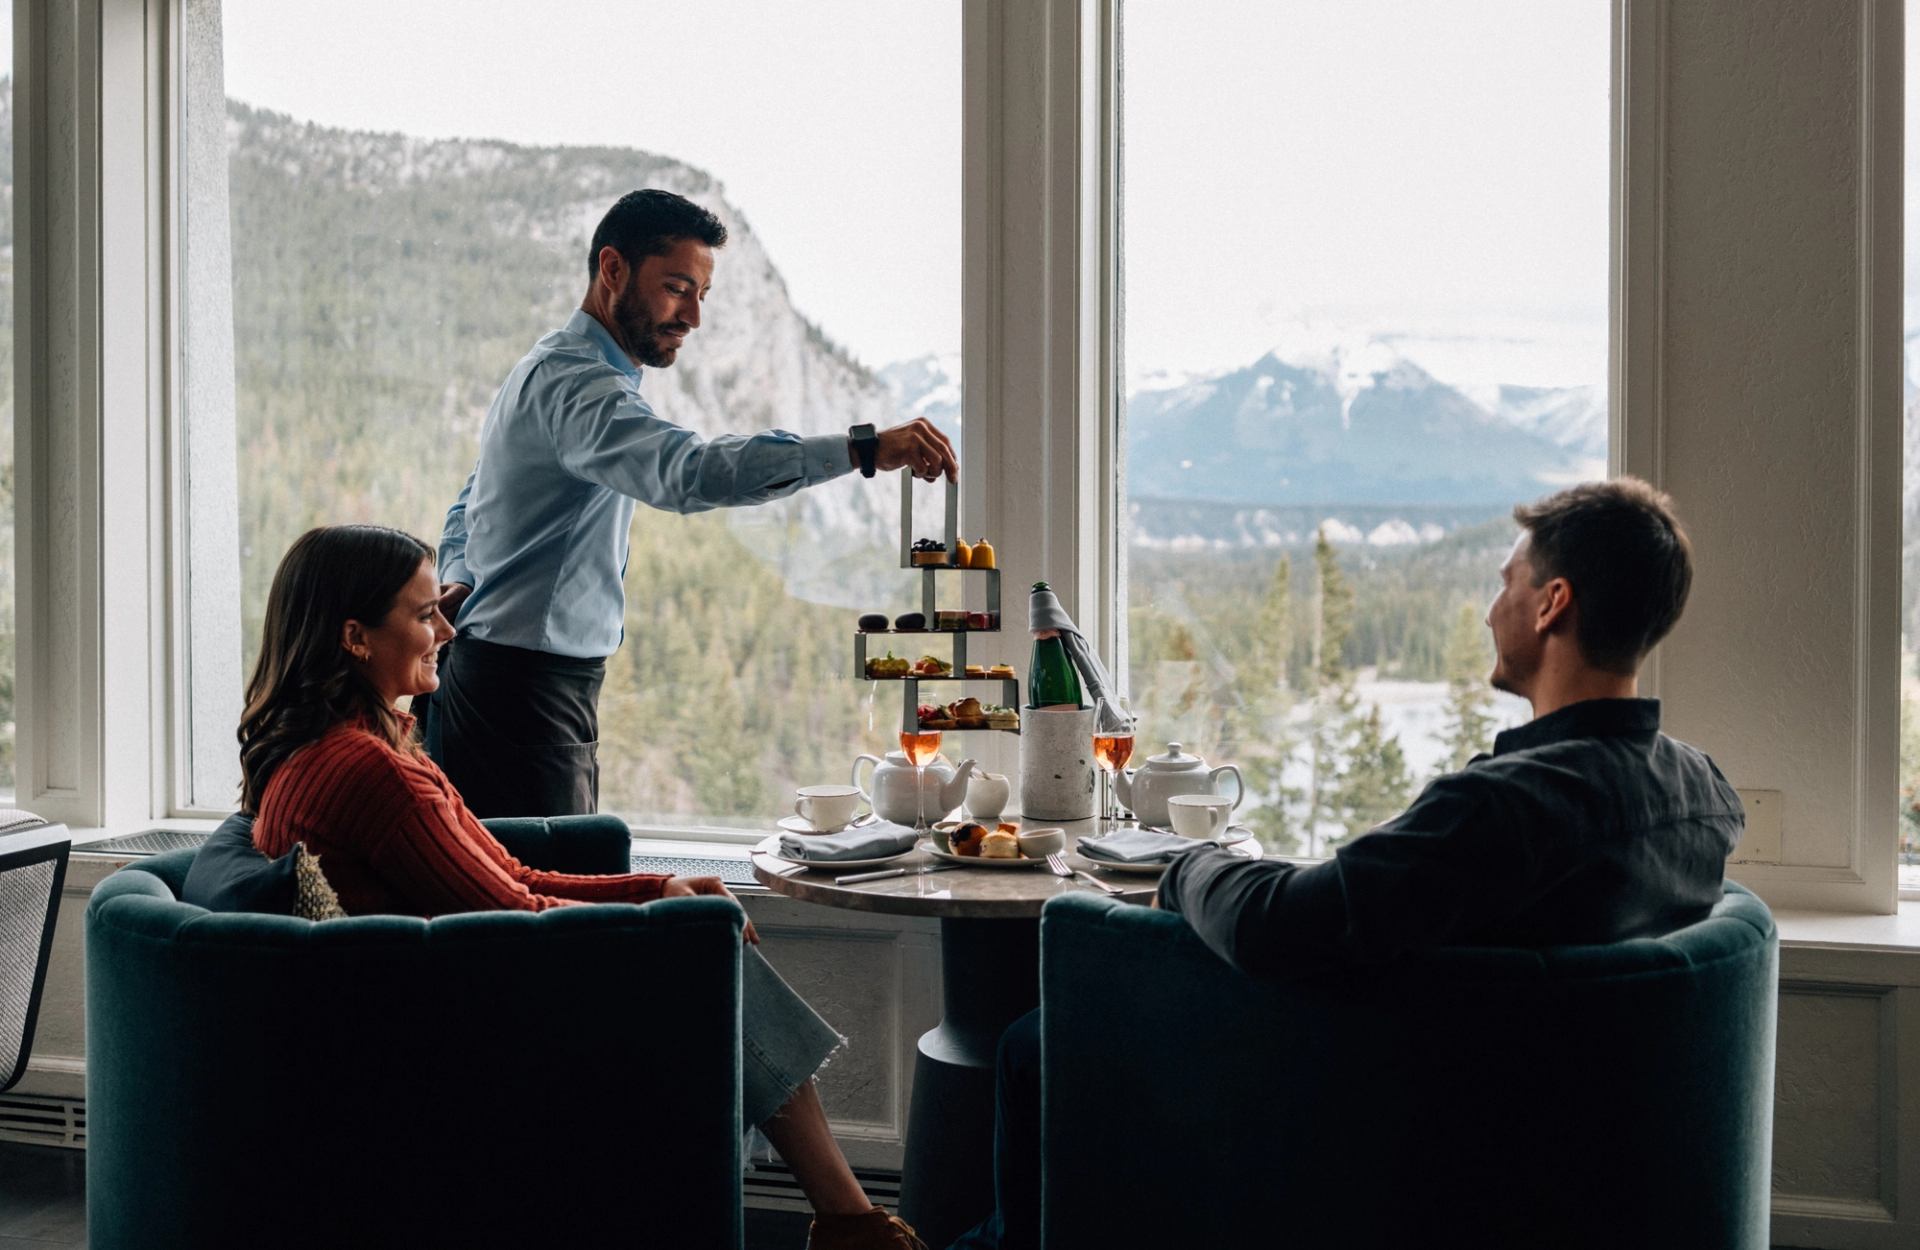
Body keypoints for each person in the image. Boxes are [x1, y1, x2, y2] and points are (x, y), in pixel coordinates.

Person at [951, 477, 1744, 1250]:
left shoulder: (1509, 806)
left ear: (1551, 604)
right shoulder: (1702, 790)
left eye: (1507, 583)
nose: (1491, 606)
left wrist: (1189, 865)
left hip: (1394, 1106)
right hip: (1547, 1123)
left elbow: (1275, 926)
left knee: (1034, 1043)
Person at [242, 524, 927, 1250]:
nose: (446, 627)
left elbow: (512, 877)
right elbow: (514, 912)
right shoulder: (369, 771)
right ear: (354, 638)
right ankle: (853, 1224)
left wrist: (656, 888)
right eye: (423, 614)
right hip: (446, 1032)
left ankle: (851, 1221)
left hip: (430, 991)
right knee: (714, 960)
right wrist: (668, 926)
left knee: (705, 941)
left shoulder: (347, 747)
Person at [423, 188, 958, 818]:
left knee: (527, 893)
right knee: (556, 900)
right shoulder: (580, 388)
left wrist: (460, 572)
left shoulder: (547, 365)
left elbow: (471, 495)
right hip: (522, 697)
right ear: (613, 269)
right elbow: (692, 472)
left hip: (497, 682)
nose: (693, 317)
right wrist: (863, 450)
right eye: (677, 288)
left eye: (702, 295)